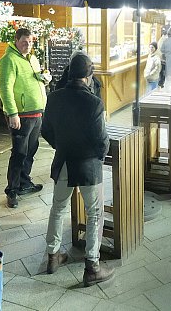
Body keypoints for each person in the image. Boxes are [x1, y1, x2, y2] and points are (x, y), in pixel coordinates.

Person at [40, 54, 115, 286]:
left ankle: (53, 256)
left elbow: (46, 131)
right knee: (94, 214)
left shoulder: (54, 98)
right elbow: (101, 139)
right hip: (88, 165)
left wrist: (60, 146)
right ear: (88, 75)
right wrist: (99, 158)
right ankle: (92, 266)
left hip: (62, 162)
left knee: (57, 208)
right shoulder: (94, 102)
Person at [0, 27, 50, 208]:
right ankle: (12, 190)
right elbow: (4, 88)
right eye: (24, 42)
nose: (28, 45)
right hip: (21, 115)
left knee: (31, 150)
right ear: (16, 41)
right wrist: (12, 113)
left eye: (30, 42)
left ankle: (24, 183)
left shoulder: (33, 59)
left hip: (36, 112)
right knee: (19, 152)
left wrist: (45, 78)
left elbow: (35, 80)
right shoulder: (8, 60)